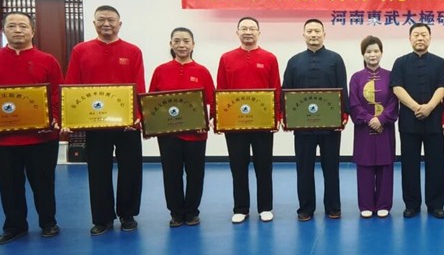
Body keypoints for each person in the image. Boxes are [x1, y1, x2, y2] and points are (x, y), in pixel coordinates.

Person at [0, 12, 62, 244]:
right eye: (12, 26)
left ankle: (48, 222)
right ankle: (15, 226)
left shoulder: (48, 60)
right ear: (3, 31)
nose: (17, 30)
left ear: (32, 31)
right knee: (8, 185)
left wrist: (56, 119)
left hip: (41, 138)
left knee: (44, 183)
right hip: (1, 140)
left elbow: (57, 94)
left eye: (23, 26)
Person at [64, 5, 145, 236]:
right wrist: (70, 118)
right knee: (98, 170)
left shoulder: (133, 51)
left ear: (120, 24)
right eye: (101, 19)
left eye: (111, 20)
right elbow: (72, 85)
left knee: (131, 169)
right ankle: (102, 218)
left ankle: (128, 215)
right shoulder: (81, 50)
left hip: (127, 124)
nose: (106, 24)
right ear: (94, 23)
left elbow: (139, 85)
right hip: (95, 122)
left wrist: (138, 117)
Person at [216, 17, 282, 224]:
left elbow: (276, 89)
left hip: (263, 123)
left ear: (259, 32)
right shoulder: (226, 58)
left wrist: (277, 117)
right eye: (243, 28)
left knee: (264, 166)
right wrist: (220, 119)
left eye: (252, 28)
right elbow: (221, 90)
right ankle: (241, 208)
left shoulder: (269, 58)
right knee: (238, 166)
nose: (248, 32)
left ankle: (265, 207)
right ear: (237, 33)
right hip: (235, 124)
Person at [148, 27, 214, 227]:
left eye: (186, 41)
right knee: (171, 173)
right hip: (169, 135)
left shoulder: (202, 71)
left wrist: (207, 121)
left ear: (193, 45)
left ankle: (192, 212)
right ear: (171, 44)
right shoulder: (160, 70)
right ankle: (176, 213)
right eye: (177, 41)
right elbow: (151, 103)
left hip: (196, 134)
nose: (181, 45)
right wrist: (151, 125)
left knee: (195, 174)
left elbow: (212, 101)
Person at [283, 19, 348, 221]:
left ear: (324, 34)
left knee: (331, 168)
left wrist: (343, 115)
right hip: (302, 127)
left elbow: (342, 88)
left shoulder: (335, 59)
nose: (313, 35)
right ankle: (305, 208)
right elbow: (286, 91)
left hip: (330, 126)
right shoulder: (294, 61)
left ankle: (333, 207)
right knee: (304, 169)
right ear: (304, 35)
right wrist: (286, 117)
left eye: (317, 31)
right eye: (309, 31)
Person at [391, 23, 444, 219]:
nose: (420, 38)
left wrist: (429, 107)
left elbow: (443, 87)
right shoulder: (400, 62)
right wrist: (416, 107)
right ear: (410, 39)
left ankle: (436, 204)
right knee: (409, 165)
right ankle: (411, 204)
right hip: (409, 121)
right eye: (416, 35)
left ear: (430, 38)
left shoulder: (439, 62)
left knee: (436, 164)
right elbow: (397, 88)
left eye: (424, 34)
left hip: (434, 121)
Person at [349, 35, 399, 218]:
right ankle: (366, 205)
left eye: (376, 51)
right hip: (364, 129)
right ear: (363, 54)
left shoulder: (391, 76)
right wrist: (369, 119)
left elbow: (394, 102)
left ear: (381, 53)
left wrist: (382, 119)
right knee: (365, 166)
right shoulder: (356, 78)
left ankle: (384, 204)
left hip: (385, 128)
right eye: (368, 51)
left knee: (385, 166)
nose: (372, 54)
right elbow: (353, 103)